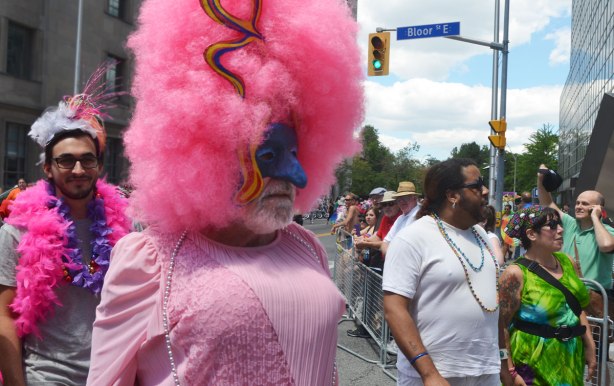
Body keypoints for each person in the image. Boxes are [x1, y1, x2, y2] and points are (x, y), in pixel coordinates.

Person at [86, 0, 363, 384]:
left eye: (297, 153)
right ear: (207, 155)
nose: (296, 175)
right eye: (268, 155)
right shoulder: (151, 260)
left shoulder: (306, 246)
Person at [0, 67, 130, 385]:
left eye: (87, 160)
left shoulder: (128, 226)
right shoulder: (17, 231)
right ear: (47, 168)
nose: (77, 169)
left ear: (99, 165)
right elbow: (4, 316)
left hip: (115, 374)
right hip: (47, 376)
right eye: (65, 160)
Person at [383, 158, 500, 385]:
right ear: (452, 195)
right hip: (433, 375)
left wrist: (505, 364)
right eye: (476, 185)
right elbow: (394, 309)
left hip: (486, 372)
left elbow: (494, 303)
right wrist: (429, 373)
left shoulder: (482, 235)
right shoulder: (412, 238)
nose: (485, 191)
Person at [498, 206, 595, 385]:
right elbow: (501, 324)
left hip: (570, 357)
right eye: (552, 225)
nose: (561, 229)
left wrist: (590, 345)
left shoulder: (567, 261)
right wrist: (509, 371)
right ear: (531, 234)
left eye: (559, 224)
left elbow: (576, 308)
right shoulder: (515, 273)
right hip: (531, 362)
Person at [380, 181, 421, 257]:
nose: (402, 201)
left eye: (406, 198)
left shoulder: (420, 216)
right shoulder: (400, 218)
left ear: (414, 198)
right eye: (399, 199)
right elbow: (385, 242)